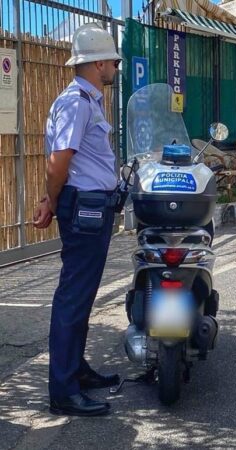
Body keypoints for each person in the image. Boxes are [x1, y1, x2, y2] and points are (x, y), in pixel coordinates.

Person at [33, 22, 122, 417]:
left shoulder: (87, 101)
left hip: (92, 206)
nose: (116, 68)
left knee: (82, 295)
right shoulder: (77, 102)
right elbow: (59, 162)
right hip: (84, 207)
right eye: (114, 62)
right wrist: (51, 201)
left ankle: (76, 371)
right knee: (73, 297)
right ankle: (64, 391)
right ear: (98, 63)